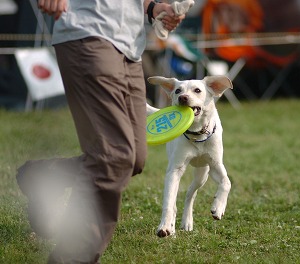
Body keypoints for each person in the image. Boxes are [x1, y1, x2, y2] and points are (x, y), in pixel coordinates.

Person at [16, 0, 185, 263]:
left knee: (133, 158)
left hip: (129, 48)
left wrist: (153, 8)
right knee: (114, 156)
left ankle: (42, 176)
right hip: (88, 33)